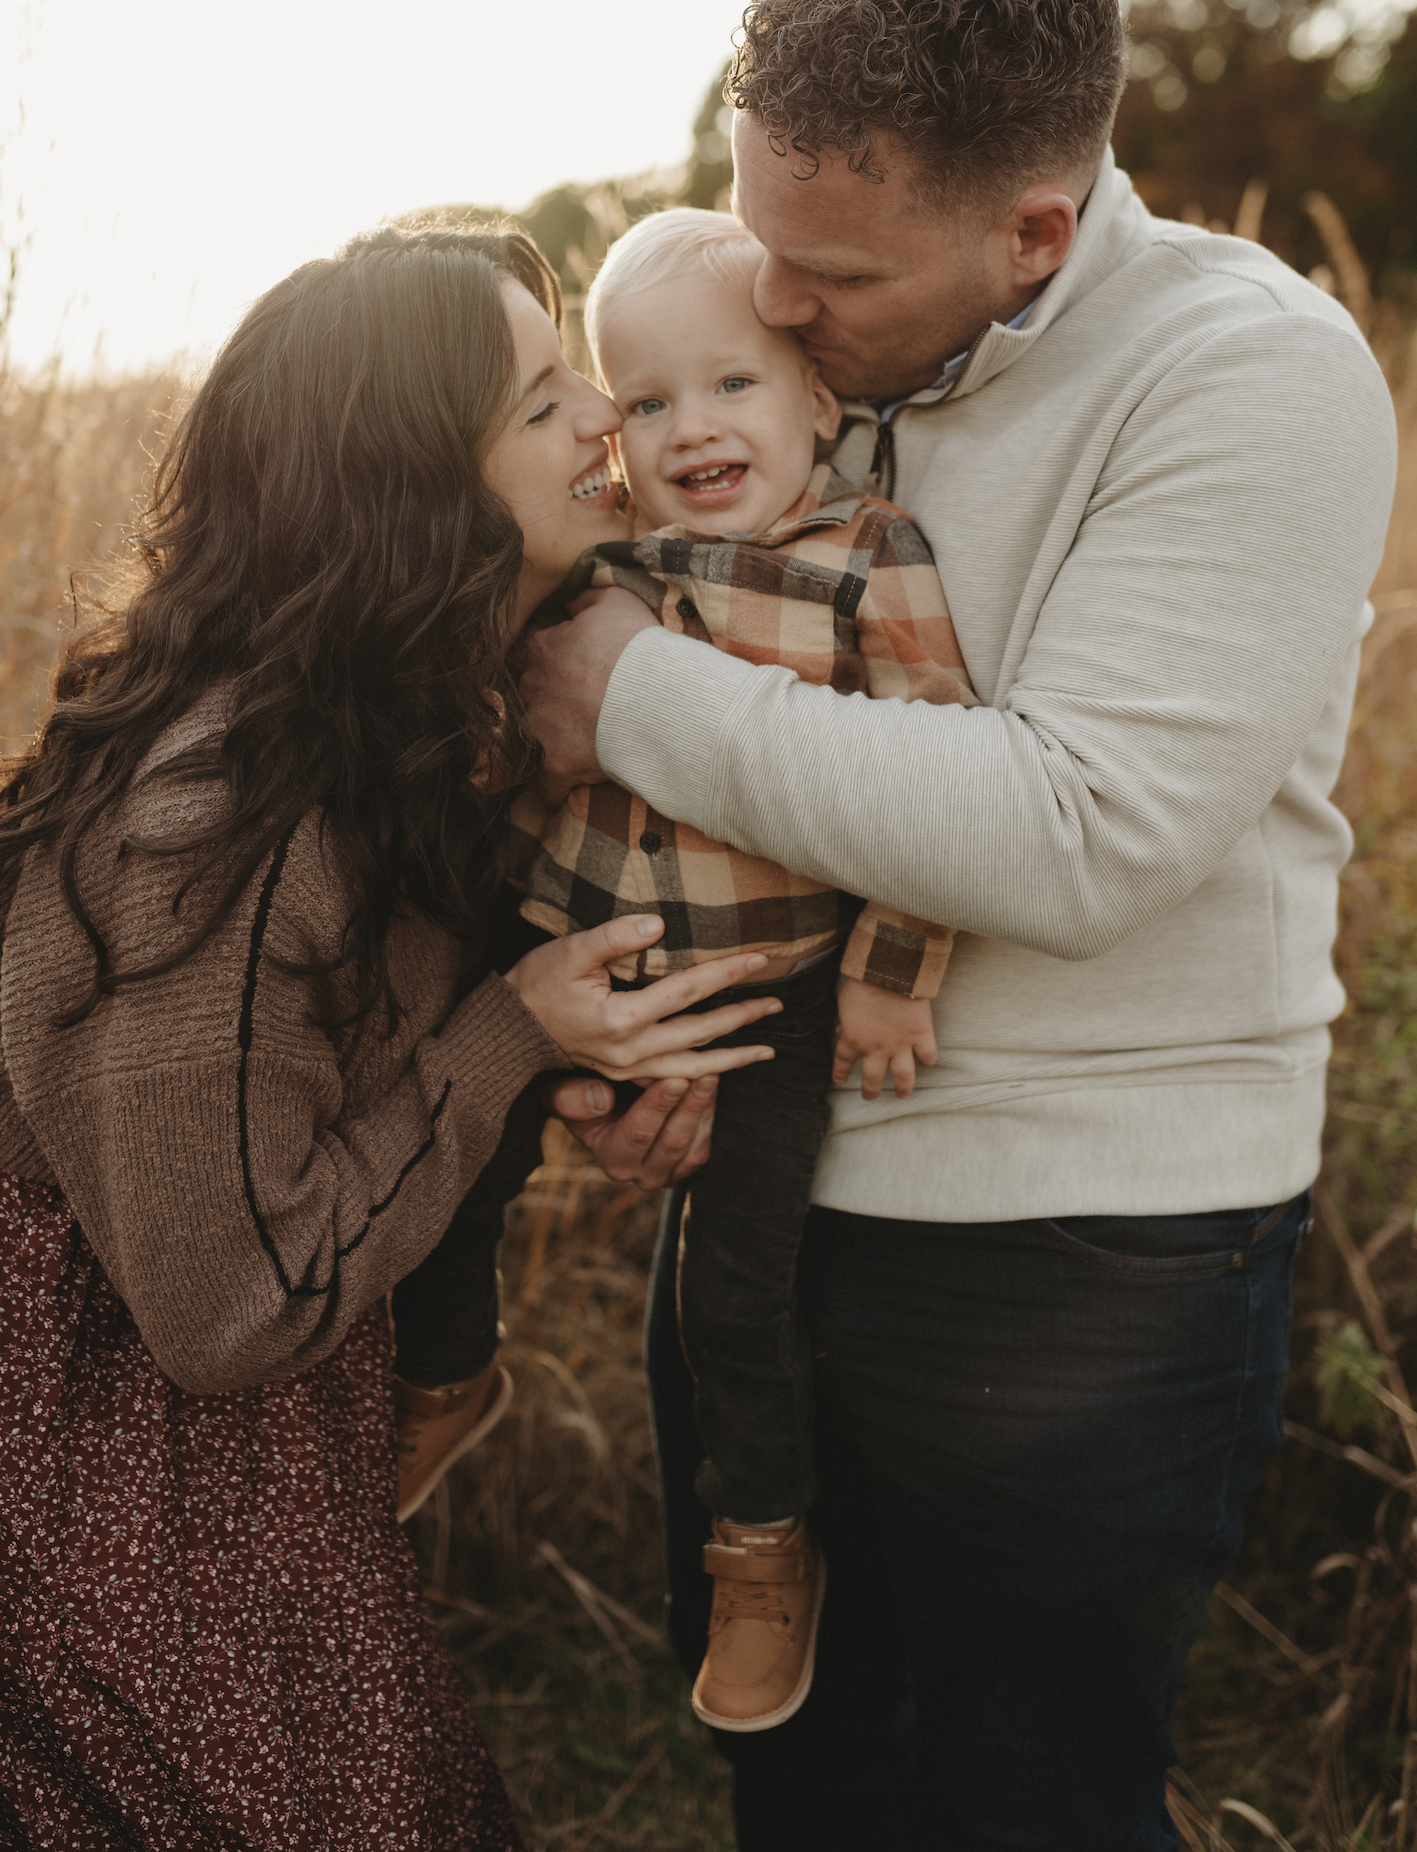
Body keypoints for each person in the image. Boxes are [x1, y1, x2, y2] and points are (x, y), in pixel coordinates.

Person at [520, 0, 1399, 1849]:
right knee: (796, 1784)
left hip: (1076, 1249)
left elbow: (1073, 832)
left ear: (1032, 231)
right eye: (756, 241)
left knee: (1022, 1802)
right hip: (761, 1187)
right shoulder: (801, 363)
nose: (770, 309)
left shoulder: (1248, 377)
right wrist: (626, 1039)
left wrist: (623, 690)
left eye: (824, 273)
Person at [0, 225, 778, 1851]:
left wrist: (612, 1069)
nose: (604, 416)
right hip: (62, 1380)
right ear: (407, 486)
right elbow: (226, 1309)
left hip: (195, 1341)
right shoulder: (221, 825)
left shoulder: (433, 705)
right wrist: (514, 1036)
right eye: (537, 399)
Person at [396, 205, 975, 1737]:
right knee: (455, 1171)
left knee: (740, 1294)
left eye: (730, 387)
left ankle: (761, 1547)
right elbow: (513, 745)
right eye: (644, 403)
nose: (687, 427)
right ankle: (447, 1375)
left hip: (766, 992)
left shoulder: (869, 559)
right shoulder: (597, 564)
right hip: (566, 947)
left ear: (817, 406)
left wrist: (890, 972)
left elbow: (938, 776)